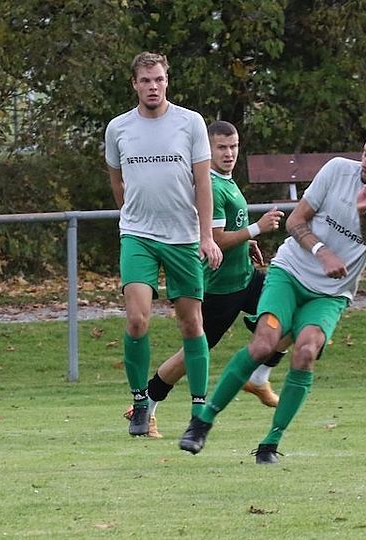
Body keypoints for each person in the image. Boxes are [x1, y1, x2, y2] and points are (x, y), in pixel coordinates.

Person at [179, 119, 366, 464]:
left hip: (331, 294)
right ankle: (202, 422)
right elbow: (295, 221)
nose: (364, 163)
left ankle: (270, 443)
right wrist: (322, 252)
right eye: (364, 154)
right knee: (264, 344)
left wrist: (363, 215)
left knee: (305, 352)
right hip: (289, 273)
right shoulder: (337, 170)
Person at [122, 120, 289, 438]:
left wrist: (246, 242)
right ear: (207, 150)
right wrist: (257, 228)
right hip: (220, 289)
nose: (229, 153)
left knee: (292, 312)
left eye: (234, 146)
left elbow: (228, 232)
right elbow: (214, 239)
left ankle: (259, 377)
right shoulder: (209, 186)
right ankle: (146, 407)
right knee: (191, 355)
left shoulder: (226, 180)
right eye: (221, 147)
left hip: (245, 278)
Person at [105, 51, 223, 436]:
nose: (152, 87)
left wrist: (206, 236)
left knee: (191, 323)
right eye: (145, 81)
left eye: (158, 79)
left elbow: (203, 182)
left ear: (167, 81)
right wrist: (132, 217)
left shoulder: (190, 123)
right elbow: (117, 181)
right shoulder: (118, 128)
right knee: (137, 320)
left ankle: (199, 409)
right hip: (137, 236)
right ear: (134, 84)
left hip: (183, 238)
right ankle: (141, 404)